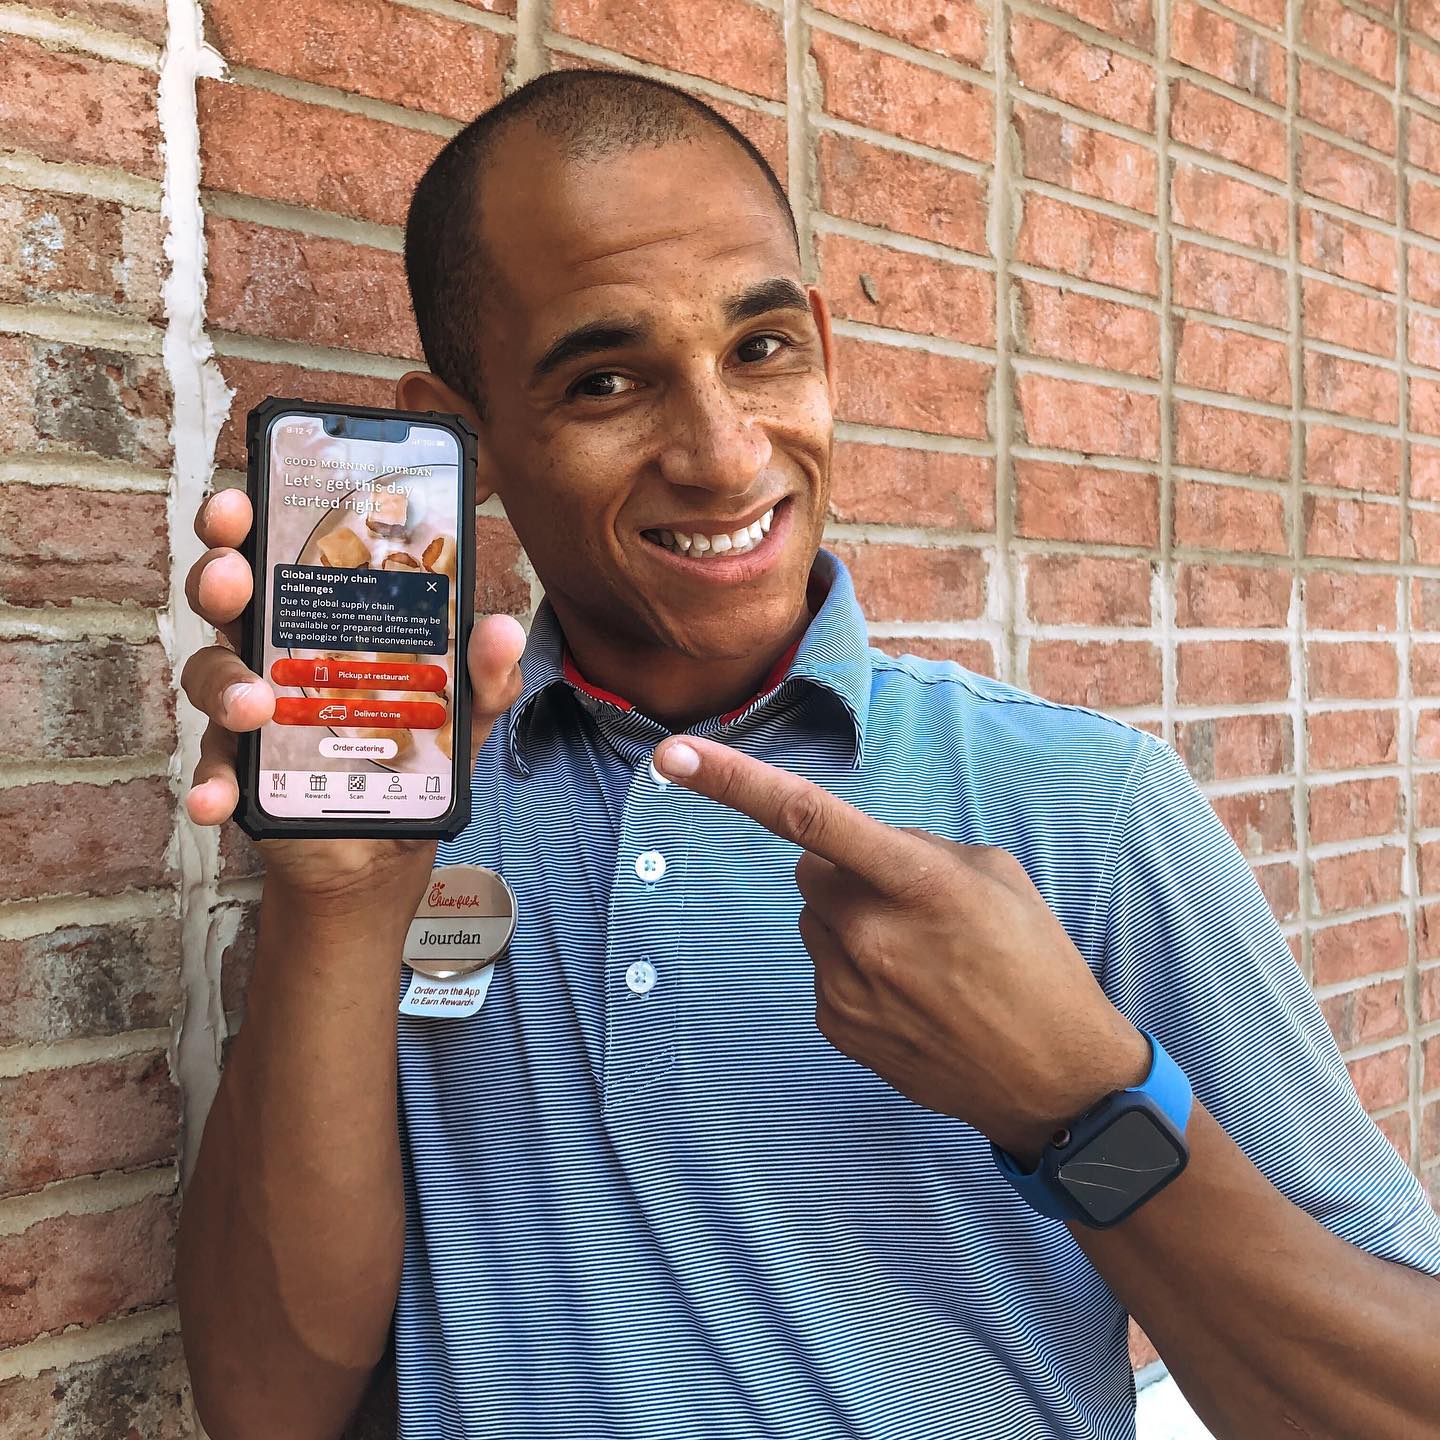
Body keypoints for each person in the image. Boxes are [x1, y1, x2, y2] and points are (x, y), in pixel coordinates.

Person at [175, 70, 1440, 1440]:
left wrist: (1080, 1111)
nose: (726, 458)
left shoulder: (1078, 801)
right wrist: (339, 910)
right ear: (465, 436)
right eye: (606, 381)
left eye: (763, 348)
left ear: (824, 347)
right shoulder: (396, 805)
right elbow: (266, 1410)